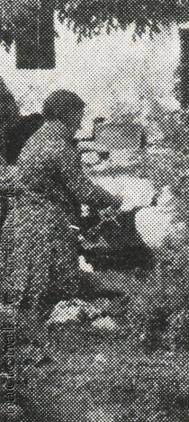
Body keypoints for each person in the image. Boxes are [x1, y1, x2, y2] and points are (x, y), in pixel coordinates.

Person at [0, 89, 122, 314]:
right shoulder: (58, 146)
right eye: (77, 117)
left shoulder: (37, 140)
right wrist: (114, 199)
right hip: (47, 228)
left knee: (28, 291)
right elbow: (84, 191)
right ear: (63, 114)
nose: (79, 124)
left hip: (24, 225)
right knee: (60, 290)